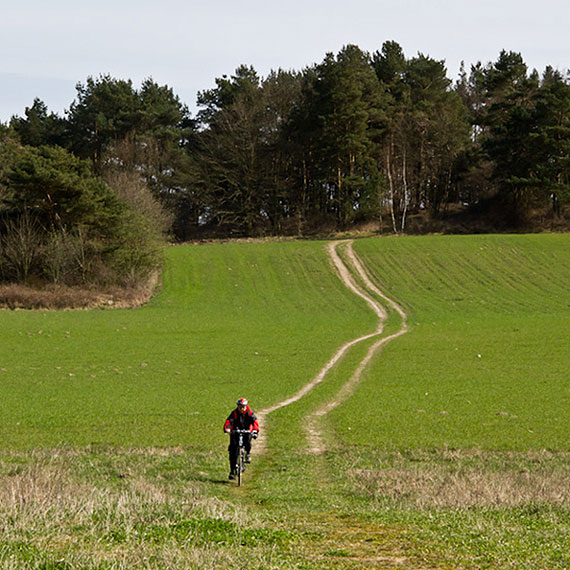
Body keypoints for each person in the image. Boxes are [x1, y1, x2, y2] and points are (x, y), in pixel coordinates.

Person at [224, 397, 259, 480]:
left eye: (243, 406)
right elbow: (229, 421)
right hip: (235, 432)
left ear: (246, 406)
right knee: (233, 452)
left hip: (246, 432)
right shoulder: (234, 413)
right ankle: (232, 471)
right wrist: (227, 429)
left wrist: (255, 431)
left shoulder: (249, 413)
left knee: (248, 441)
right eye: (240, 406)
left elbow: (255, 422)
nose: (241, 408)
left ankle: (247, 453)